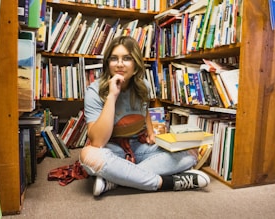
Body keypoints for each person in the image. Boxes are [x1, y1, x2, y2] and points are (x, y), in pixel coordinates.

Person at [79, 36, 210, 196]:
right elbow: (98, 142)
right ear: (108, 63)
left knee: (190, 152)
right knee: (88, 156)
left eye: (127, 58)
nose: (120, 64)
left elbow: (144, 109)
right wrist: (112, 96)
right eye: (114, 59)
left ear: (135, 65)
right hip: (112, 149)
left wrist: (151, 131)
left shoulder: (144, 86)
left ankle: (114, 179)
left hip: (140, 146)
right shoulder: (94, 91)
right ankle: (167, 183)